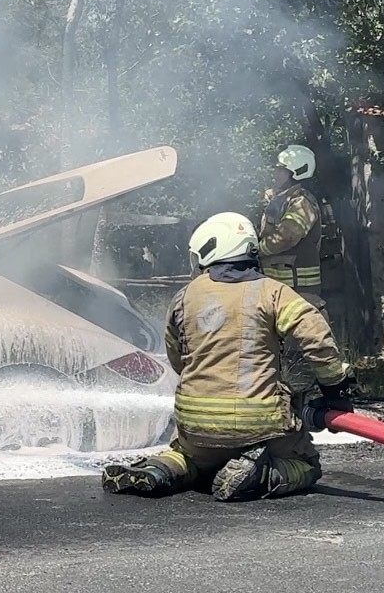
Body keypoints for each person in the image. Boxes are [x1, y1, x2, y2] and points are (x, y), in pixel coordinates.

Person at [100, 212, 357, 502]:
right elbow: (317, 339)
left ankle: (159, 471)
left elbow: (177, 356)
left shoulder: (185, 296)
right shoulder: (274, 293)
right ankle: (261, 475)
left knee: (189, 458)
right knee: (306, 464)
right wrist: (335, 390)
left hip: (194, 426)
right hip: (259, 426)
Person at [259, 144, 325, 313]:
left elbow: (287, 236)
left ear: (297, 172)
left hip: (300, 291)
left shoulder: (302, 202)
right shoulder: (285, 199)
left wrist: (258, 250)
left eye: (282, 170)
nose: (276, 173)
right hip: (283, 289)